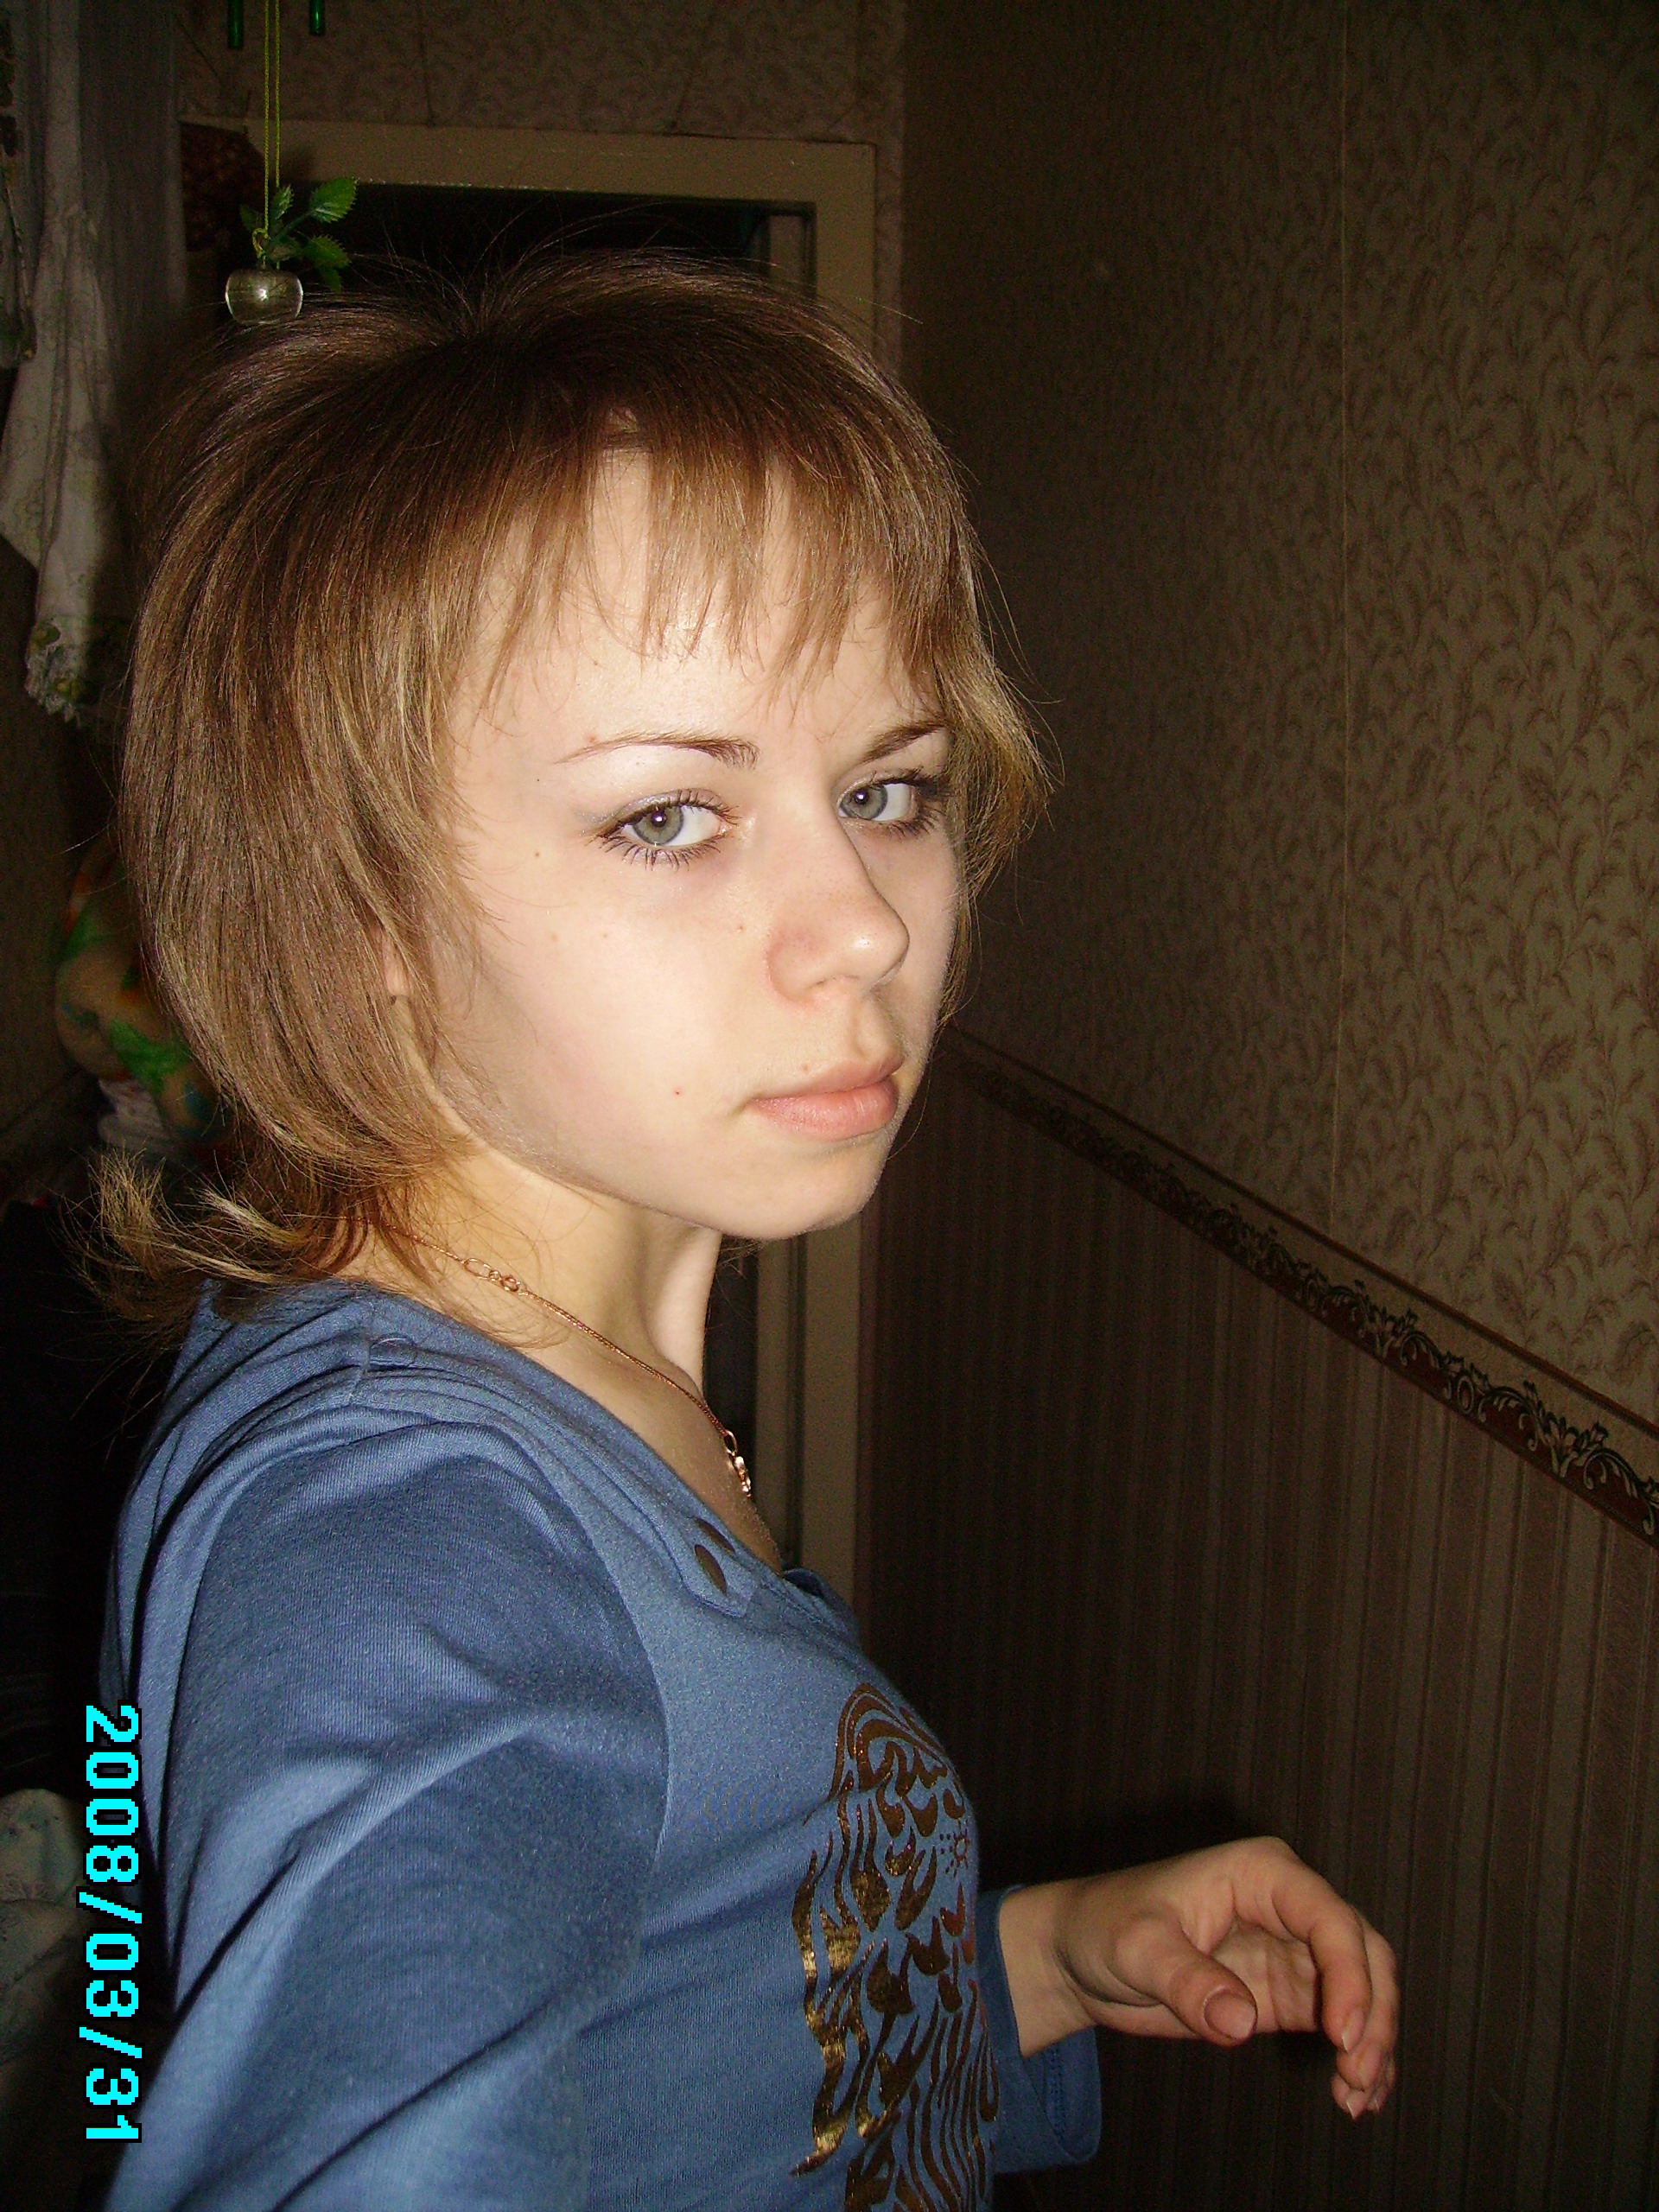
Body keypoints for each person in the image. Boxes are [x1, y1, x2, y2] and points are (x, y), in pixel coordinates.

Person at [98, 258, 1397, 2210]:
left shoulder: (505, 1365)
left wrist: (1032, 1961)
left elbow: (682, 2020)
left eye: (888, 787)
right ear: (350, 917)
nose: (866, 924)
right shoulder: (405, 1554)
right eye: (668, 817)